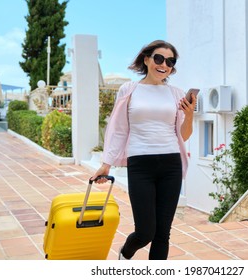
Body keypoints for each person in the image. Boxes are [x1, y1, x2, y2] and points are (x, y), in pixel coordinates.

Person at [91, 40, 196, 260]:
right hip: (141, 165)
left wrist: (190, 114)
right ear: (147, 60)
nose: (164, 64)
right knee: (145, 231)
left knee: (162, 234)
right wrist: (105, 164)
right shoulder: (129, 90)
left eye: (170, 61)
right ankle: (126, 252)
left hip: (171, 164)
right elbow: (118, 129)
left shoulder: (176, 93)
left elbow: (183, 136)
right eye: (159, 58)